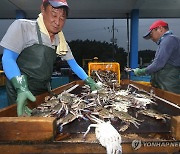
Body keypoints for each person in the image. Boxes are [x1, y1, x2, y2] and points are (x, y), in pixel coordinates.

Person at [0, 0, 100, 116]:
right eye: (54, 15)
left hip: (42, 91)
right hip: (20, 92)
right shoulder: (23, 27)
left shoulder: (60, 41)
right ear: (43, 9)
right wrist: (21, 88)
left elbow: (74, 65)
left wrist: (90, 81)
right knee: (21, 128)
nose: (57, 22)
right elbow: (8, 58)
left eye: (62, 18)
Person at [134, 20, 180, 94]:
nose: (151, 38)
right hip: (164, 86)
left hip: (169, 87)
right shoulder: (167, 41)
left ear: (160, 29)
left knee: (170, 104)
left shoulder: (169, 40)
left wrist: (142, 71)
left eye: (151, 34)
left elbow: (158, 64)